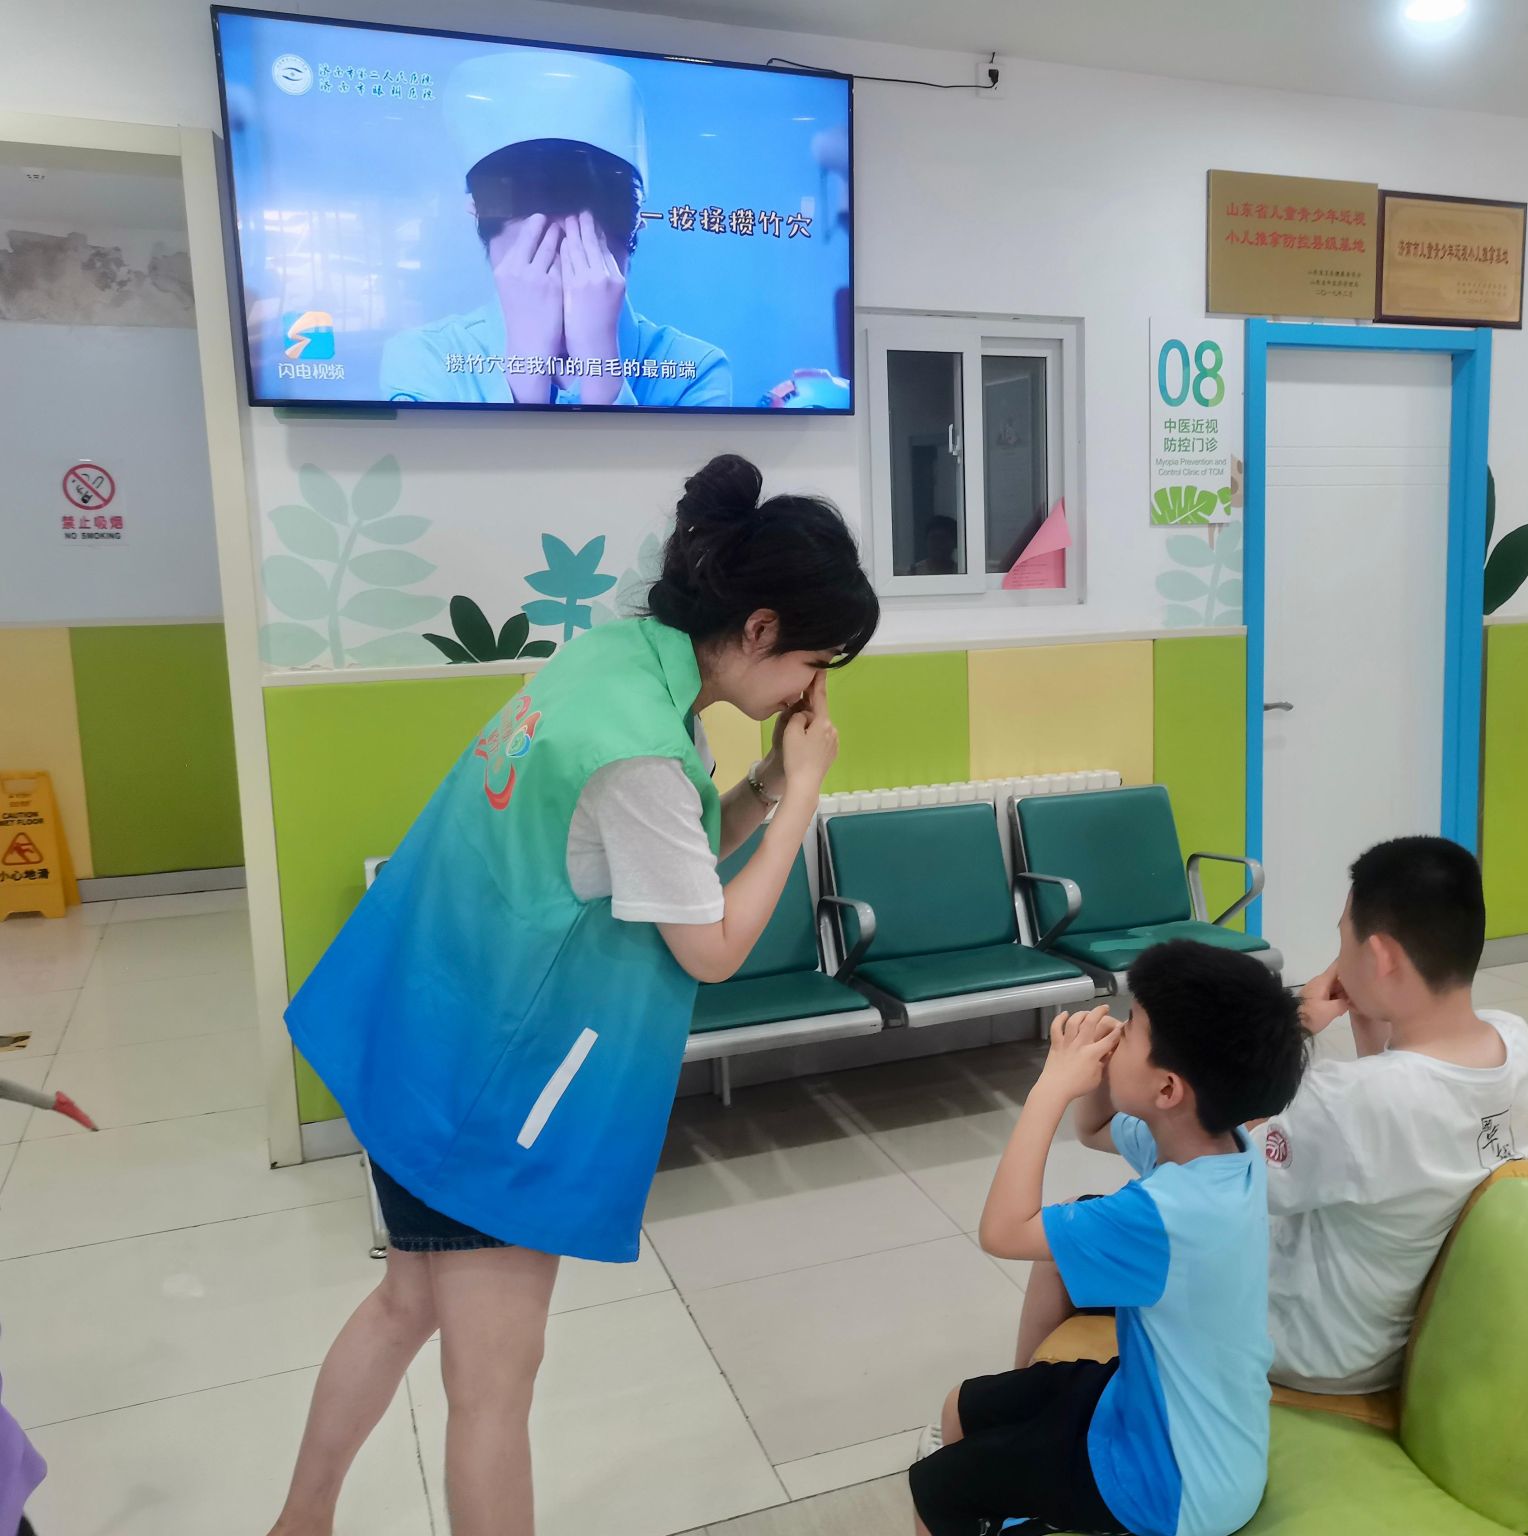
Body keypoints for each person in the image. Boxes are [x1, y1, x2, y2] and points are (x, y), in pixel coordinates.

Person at [264, 454, 877, 1536]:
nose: (807, 693)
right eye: (813, 665)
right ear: (760, 628)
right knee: (493, 1384)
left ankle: (298, 1522)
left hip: (422, 1032)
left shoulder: (613, 664)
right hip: (484, 1082)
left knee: (407, 1303)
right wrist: (805, 796)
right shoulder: (639, 749)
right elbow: (712, 946)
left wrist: (763, 782)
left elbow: (659, 863)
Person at [918, 943, 1311, 1536]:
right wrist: (1101, 1070)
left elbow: (1001, 1231)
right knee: (960, 1407)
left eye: (1131, 1029)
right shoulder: (1222, 1146)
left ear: (1168, 1090)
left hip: (1171, 1485)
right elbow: (1097, 1127)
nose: (1117, 1033)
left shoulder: (1167, 1214)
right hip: (1165, 1416)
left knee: (935, 1487)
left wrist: (1051, 1087)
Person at [1261, 836, 1528, 1396]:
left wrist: (1293, 1026)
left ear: (1381, 957)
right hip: (1410, 1336)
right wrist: (1373, 1021)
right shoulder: (1521, 1045)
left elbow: (1230, 1168)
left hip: (1315, 1356)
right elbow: (1404, 1122)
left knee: (1135, 1236)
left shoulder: (1347, 1099)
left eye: (1343, 937)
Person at [381, 50, 731, 407]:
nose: (566, 287)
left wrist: (600, 367)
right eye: (537, 257)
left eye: (586, 258)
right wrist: (527, 367)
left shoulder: (697, 368)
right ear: (478, 218)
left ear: (635, 228)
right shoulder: (424, 357)